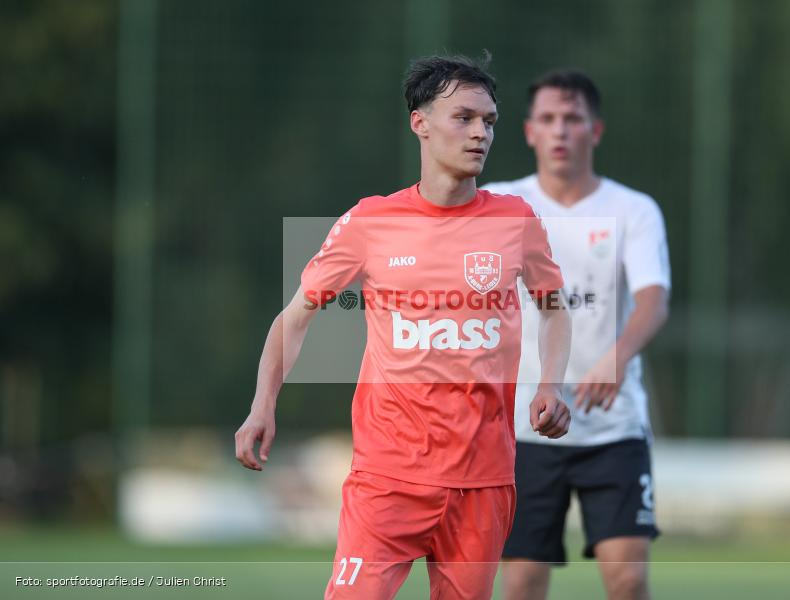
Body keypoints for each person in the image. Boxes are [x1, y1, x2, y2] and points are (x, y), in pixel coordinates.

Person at [234, 55, 573, 600]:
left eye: (489, 121)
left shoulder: (516, 220)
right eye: (463, 117)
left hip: (484, 480)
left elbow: (555, 308)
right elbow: (295, 316)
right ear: (420, 123)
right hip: (388, 478)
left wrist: (552, 384)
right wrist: (262, 403)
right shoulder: (371, 222)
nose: (480, 133)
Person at [483, 69, 671, 600]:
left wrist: (616, 358)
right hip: (521, 428)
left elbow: (654, 300)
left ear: (596, 130)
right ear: (528, 132)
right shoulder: (499, 204)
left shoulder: (632, 209)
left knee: (628, 579)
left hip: (612, 428)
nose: (560, 130)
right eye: (548, 119)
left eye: (572, 118)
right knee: (522, 582)